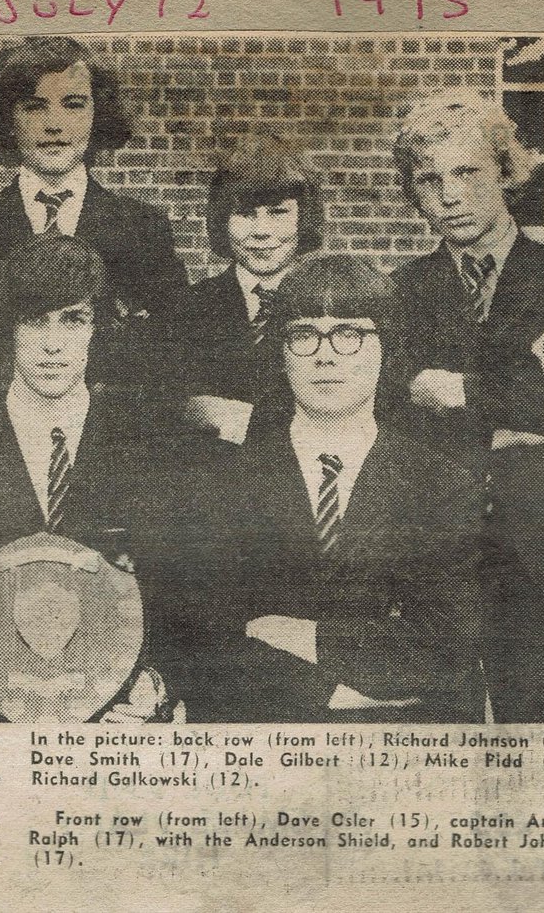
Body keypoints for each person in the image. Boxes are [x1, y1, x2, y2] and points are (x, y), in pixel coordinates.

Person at [146, 255, 486, 722]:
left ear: (387, 346)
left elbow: (451, 645)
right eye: (304, 335)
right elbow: (202, 646)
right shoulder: (217, 487)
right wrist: (334, 687)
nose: (325, 354)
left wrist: (304, 636)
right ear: (281, 353)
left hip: (404, 751)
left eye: (350, 333)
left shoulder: (441, 483)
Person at [391, 89, 544, 722]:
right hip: (436, 553)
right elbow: (393, 413)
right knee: (434, 740)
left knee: (543, 735)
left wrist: (461, 392)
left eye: (467, 173)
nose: (449, 195)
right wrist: (514, 414)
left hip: (540, 547)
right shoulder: (399, 292)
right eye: (429, 180)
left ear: (505, 172)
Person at [0, 234, 163, 723]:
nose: (53, 343)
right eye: (34, 320)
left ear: (97, 329)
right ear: (5, 331)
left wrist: (158, 690)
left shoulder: (148, 448)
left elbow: (180, 588)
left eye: (73, 319)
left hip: (117, 722)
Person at [0, 35, 187, 410]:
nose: (54, 125)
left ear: (98, 115)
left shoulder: (141, 227)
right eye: (34, 107)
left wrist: (0, 343)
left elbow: (171, 362)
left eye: (73, 105)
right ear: (6, 119)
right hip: (3, 448)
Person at [152, 133, 323, 441]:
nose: (261, 232)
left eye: (278, 213)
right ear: (222, 220)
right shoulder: (185, 308)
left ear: (304, 219)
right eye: (244, 214)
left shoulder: (327, 306)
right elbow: (157, 403)